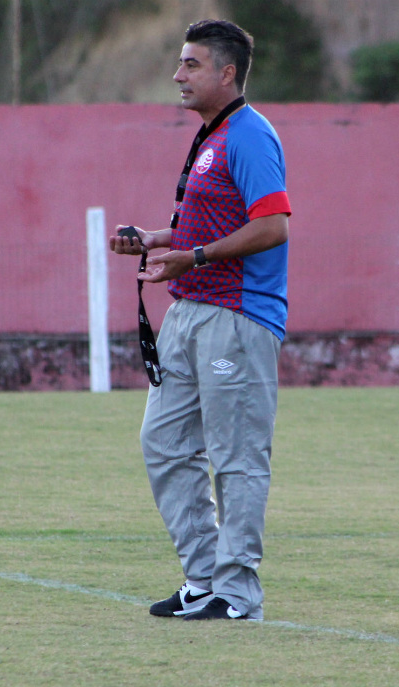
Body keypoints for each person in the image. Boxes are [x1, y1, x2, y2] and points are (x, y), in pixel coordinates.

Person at [108, 19, 291, 621]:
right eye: (181, 63)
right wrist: (159, 239)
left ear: (226, 72)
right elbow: (210, 226)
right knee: (162, 443)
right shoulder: (210, 137)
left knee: (236, 457)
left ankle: (238, 596)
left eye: (190, 64)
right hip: (188, 314)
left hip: (235, 318)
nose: (177, 74)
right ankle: (204, 579)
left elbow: (272, 227)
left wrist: (195, 256)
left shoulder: (251, 135)